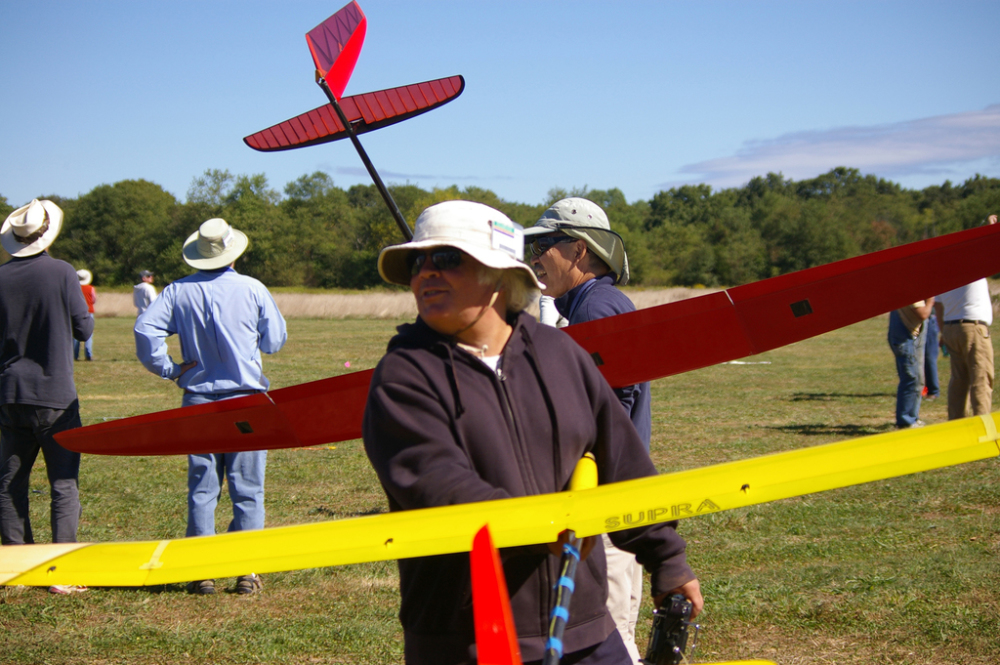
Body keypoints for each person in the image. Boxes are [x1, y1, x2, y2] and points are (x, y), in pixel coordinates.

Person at [362, 200, 701, 665]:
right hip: (467, 640)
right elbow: (435, 482)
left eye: (445, 259)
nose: (425, 273)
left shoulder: (560, 354)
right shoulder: (402, 375)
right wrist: (540, 524)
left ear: (501, 277)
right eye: (416, 262)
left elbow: (622, 462)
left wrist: (666, 558)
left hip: (585, 629)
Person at [525, 197, 649, 662]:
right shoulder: (586, 306)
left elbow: (611, 408)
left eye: (544, 245)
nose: (535, 257)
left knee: (609, 636)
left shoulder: (597, 308)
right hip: (602, 501)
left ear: (579, 251)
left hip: (606, 508)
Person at [135, 217, 287, 596]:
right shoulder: (253, 288)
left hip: (198, 399)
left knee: (203, 488)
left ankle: (202, 571)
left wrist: (169, 368)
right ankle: (246, 570)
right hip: (247, 401)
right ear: (233, 252)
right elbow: (274, 341)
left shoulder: (176, 292)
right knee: (248, 487)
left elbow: (144, 329)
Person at [0, 199, 93, 595]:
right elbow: (84, 329)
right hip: (54, 395)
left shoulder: (1, 277)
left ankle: (17, 563)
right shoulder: (62, 272)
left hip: (9, 393)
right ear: (46, 233)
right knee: (63, 483)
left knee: (9, 484)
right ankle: (61, 571)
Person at [887, 299, 934, 429]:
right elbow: (923, 314)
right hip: (905, 339)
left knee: (917, 380)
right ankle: (905, 421)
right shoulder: (913, 293)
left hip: (908, 336)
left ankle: (912, 417)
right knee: (912, 378)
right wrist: (930, 301)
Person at [74, 269, 97, 361]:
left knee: (75, 335)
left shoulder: (75, 287)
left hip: (76, 311)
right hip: (89, 311)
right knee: (88, 334)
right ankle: (88, 355)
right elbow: (94, 300)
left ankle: (75, 355)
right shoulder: (91, 288)